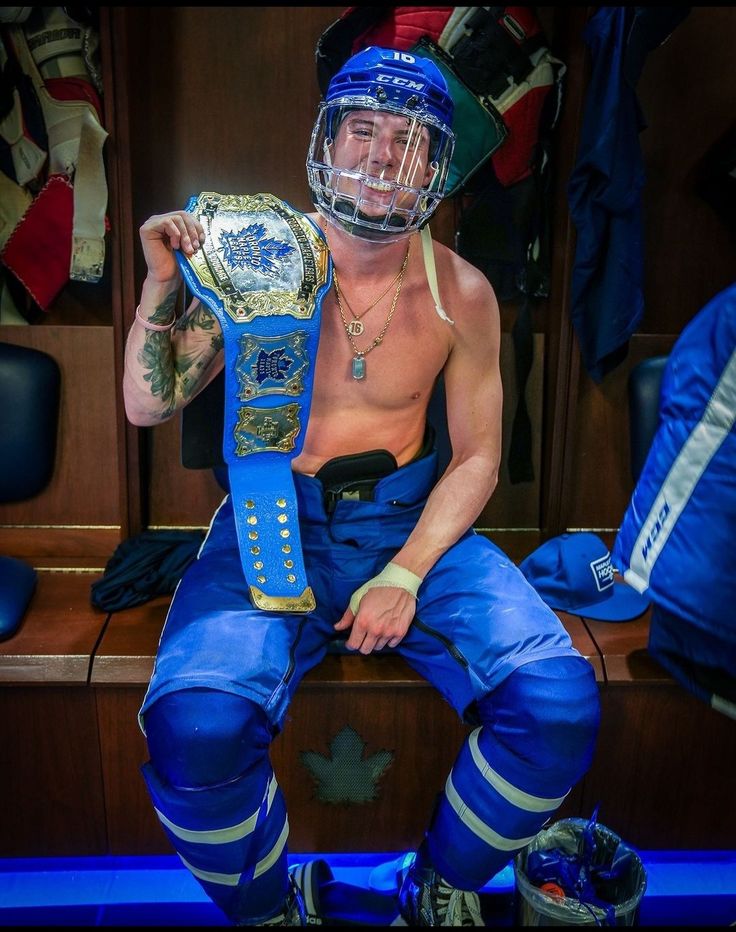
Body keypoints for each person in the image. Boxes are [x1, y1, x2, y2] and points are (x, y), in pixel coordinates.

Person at [122, 46, 600, 927]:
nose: (383, 155)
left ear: (435, 163)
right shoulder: (250, 258)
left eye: (408, 139)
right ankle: (270, 909)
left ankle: (439, 883)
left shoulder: (463, 291)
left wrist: (408, 573)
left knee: (560, 706)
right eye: (364, 131)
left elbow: (478, 458)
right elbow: (146, 404)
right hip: (271, 525)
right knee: (193, 732)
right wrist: (162, 282)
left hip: (409, 525)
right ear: (328, 143)